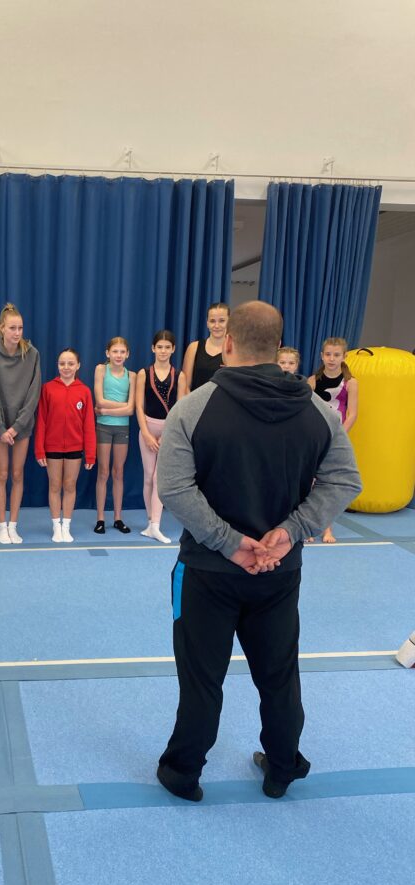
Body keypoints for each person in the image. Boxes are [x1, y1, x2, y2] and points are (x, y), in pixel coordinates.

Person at [155, 301, 361, 802]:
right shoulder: (317, 412)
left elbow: (174, 489)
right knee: (279, 677)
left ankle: (183, 772)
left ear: (228, 343)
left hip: (208, 571)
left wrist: (228, 543)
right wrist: (289, 533)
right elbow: (345, 481)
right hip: (278, 572)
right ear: (277, 347)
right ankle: (282, 767)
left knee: (202, 679)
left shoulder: (193, 408)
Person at [0, 303, 41, 544]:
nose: (17, 333)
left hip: (22, 425)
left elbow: (34, 392)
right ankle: (1, 525)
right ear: (2, 328)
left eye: (20, 328)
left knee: (17, 474)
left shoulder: (32, 354)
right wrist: (0, 428)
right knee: (2, 473)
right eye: (12, 328)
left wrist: (17, 426)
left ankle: (13, 525)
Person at [35, 348, 96, 542]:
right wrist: (39, 449)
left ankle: (66, 526)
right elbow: (41, 420)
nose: (66, 367)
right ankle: (56, 526)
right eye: (62, 363)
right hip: (51, 447)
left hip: (75, 448)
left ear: (78, 366)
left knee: (70, 485)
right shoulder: (48, 388)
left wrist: (90, 453)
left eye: (71, 363)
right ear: (57, 365)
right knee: (54, 485)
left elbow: (89, 424)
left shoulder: (84, 391)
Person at [135, 330, 188, 543]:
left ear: (173, 349)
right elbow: (139, 406)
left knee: (159, 478)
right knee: (148, 476)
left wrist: (169, 435)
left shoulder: (180, 376)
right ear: (153, 348)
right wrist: (146, 434)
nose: (163, 351)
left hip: (169, 430)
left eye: (167, 347)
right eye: (160, 347)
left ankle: (156, 525)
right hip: (148, 428)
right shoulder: (143, 374)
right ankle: (150, 523)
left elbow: (181, 408)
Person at [307, 338, 359, 544]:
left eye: (336, 355)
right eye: (328, 354)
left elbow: (352, 414)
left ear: (344, 357)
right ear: (322, 356)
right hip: (316, 436)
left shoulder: (351, 383)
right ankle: (309, 526)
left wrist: (338, 436)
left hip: (337, 438)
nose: (331, 359)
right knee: (311, 482)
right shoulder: (312, 381)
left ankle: (327, 528)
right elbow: (307, 411)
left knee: (330, 482)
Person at [93, 337, 136, 534]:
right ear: (107, 353)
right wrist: (123, 406)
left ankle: (118, 518)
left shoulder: (132, 376)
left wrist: (106, 410)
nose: (118, 355)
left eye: (122, 352)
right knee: (103, 472)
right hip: (103, 427)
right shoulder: (101, 370)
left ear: (127, 354)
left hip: (122, 429)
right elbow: (100, 400)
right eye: (115, 351)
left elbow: (131, 410)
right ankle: (100, 518)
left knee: (118, 472)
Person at [181, 302, 229, 391]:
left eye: (221, 321)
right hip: (195, 400)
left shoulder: (235, 350)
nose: (216, 326)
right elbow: (185, 386)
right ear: (207, 323)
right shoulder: (194, 348)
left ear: (229, 322)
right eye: (212, 321)